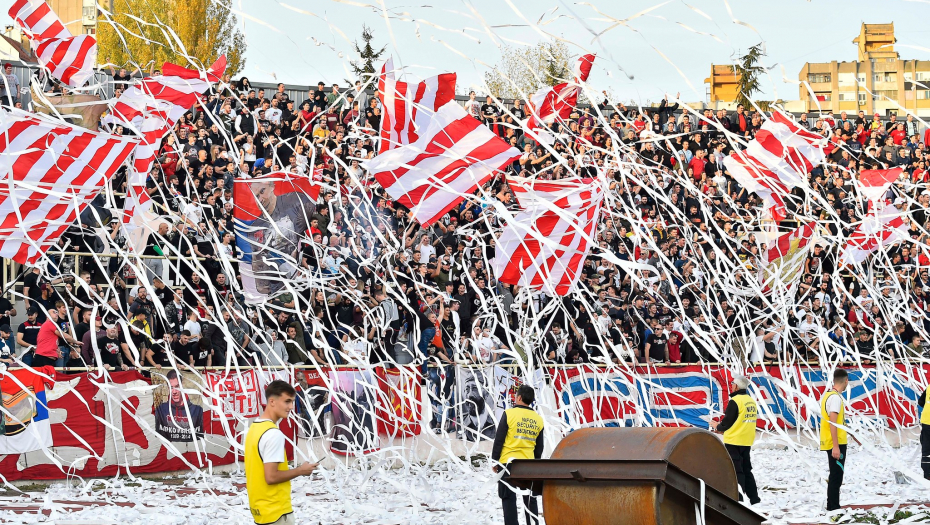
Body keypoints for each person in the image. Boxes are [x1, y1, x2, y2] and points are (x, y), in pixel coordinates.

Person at [245, 380, 319, 525]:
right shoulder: (273, 434)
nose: (291, 407)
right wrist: (300, 471)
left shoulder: (254, 428)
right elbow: (271, 477)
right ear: (272, 401)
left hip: (261, 511)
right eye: (287, 401)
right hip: (276, 512)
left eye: (292, 401)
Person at [491, 384, 544, 525]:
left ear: (519, 397)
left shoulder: (509, 414)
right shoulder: (538, 419)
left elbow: (499, 439)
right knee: (530, 499)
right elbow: (539, 447)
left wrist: (495, 461)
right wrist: (535, 463)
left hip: (508, 464)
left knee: (508, 498)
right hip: (528, 464)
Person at [714, 375, 760, 505]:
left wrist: (717, 426)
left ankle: (739, 499)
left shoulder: (735, 401)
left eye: (733, 383)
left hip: (734, 440)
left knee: (736, 470)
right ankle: (754, 498)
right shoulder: (750, 400)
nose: (731, 385)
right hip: (746, 440)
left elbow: (727, 422)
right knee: (746, 469)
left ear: (736, 386)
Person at [820, 368, 849, 511]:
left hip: (830, 441)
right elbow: (833, 421)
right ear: (846, 381)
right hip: (835, 443)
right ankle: (834, 508)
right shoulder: (836, 398)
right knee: (836, 477)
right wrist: (836, 446)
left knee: (834, 475)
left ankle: (831, 505)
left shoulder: (828, 395)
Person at [918, 381, 930, 479]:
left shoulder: (929, 387)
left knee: (926, 449)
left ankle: (927, 475)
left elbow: (921, 402)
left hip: (926, 421)